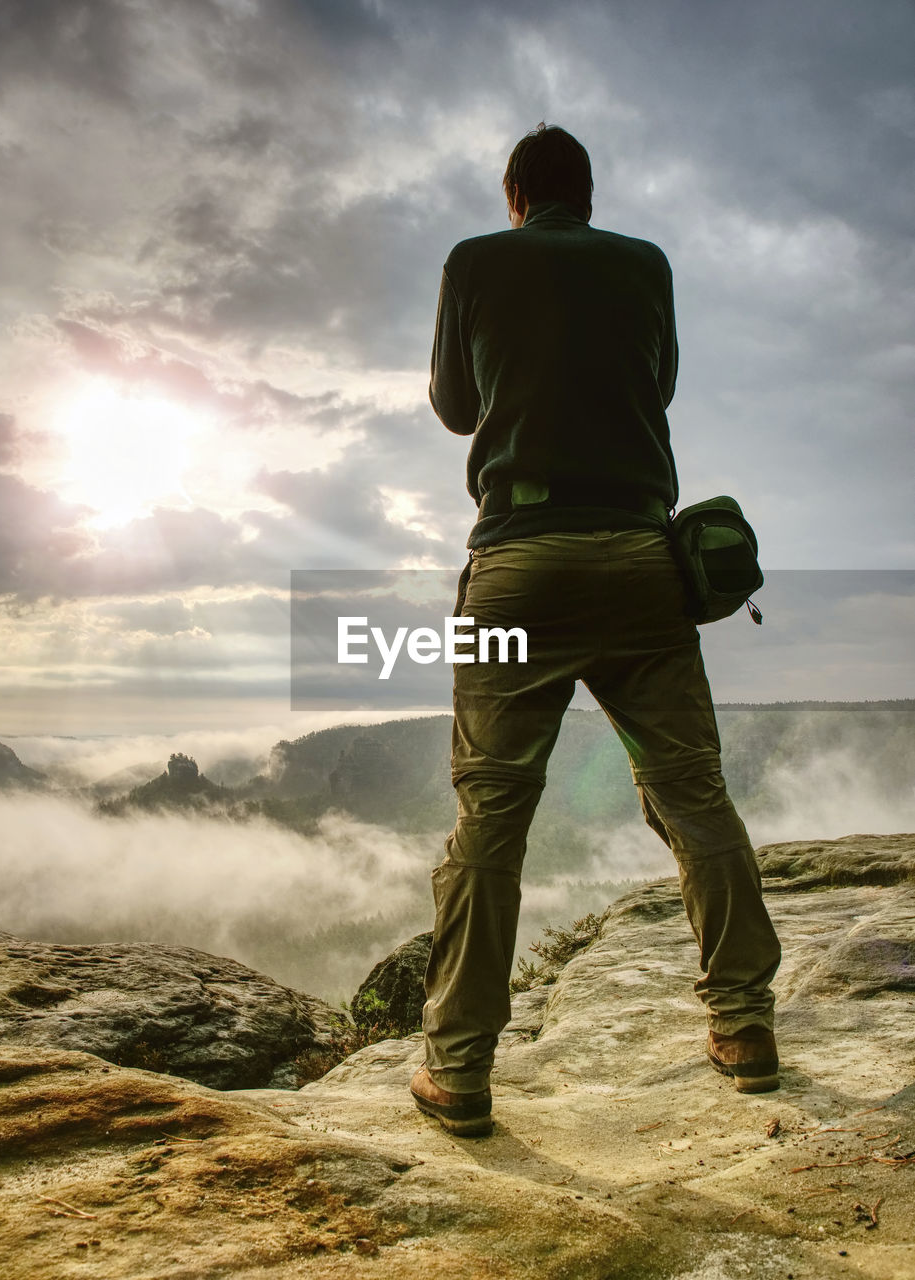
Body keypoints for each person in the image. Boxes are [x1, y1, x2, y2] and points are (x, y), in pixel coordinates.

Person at [410, 123, 782, 1137]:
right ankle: (744, 1027)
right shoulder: (644, 264)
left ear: (515, 195)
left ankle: (457, 1067)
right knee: (695, 796)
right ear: (587, 190)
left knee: (490, 816)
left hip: (520, 561)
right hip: (636, 562)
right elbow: (653, 386)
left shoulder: (475, 261)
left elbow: (453, 405)